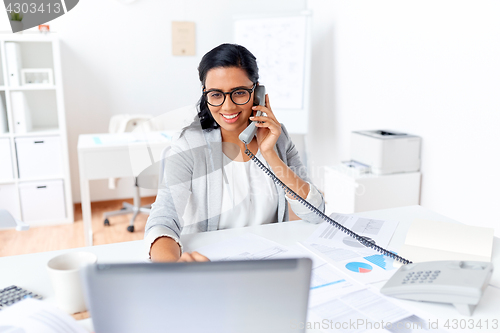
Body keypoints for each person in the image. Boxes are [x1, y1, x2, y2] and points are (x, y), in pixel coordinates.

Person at [145, 43, 324, 262]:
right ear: (205, 94)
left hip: (269, 262)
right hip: (212, 264)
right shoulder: (189, 145)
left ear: (258, 92)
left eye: (239, 93)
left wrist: (270, 154)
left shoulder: (278, 137)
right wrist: (173, 268)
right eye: (216, 94)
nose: (228, 107)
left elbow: (315, 214)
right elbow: (163, 219)